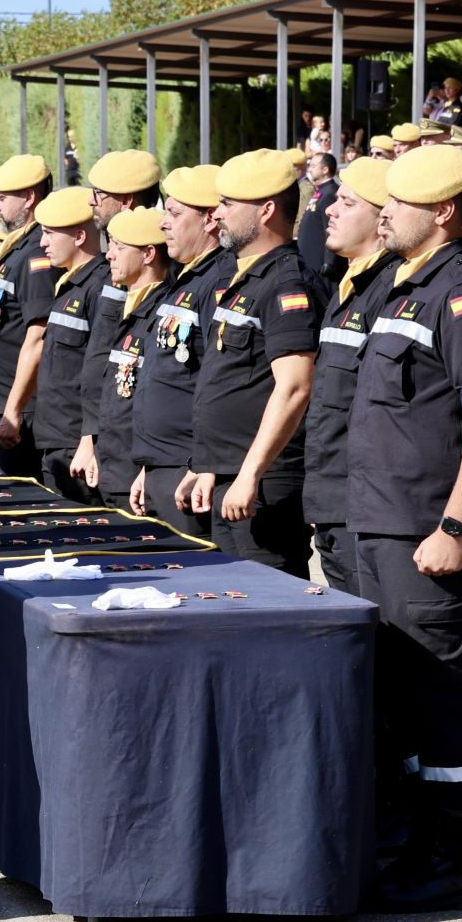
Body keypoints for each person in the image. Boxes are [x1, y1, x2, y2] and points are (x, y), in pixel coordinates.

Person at [349, 144, 462, 912]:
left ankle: (454, 862)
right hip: (383, 529)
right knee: (407, 695)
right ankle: (418, 848)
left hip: (427, 532)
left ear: (444, 211)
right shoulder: (403, 287)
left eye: (401, 203)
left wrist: (454, 523)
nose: (384, 211)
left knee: (443, 693)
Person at [177, 150, 321, 577]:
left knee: (269, 605)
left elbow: (294, 386)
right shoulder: (245, 279)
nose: (216, 213)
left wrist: (249, 473)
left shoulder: (286, 282)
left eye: (228, 204)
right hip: (231, 475)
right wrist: (206, 466)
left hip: (265, 484)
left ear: (267, 211)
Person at [301, 157, 395, 595]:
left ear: (383, 220)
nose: (329, 210)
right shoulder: (349, 285)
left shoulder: (391, 291)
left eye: (346, 202)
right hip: (336, 500)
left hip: (365, 507)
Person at [128, 164, 231, 537]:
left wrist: (202, 463)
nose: (163, 224)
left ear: (209, 220)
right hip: (162, 465)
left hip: (188, 471)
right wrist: (148, 465)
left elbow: (218, 381)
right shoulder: (186, 279)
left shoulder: (219, 281)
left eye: (174, 214)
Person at [74, 207, 167, 507]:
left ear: (148, 254)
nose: (109, 255)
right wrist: (97, 449)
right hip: (113, 465)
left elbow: (157, 400)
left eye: (119, 247)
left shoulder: (161, 310)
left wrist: (147, 466)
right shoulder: (127, 304)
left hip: (137, 471)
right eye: (110, 245)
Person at [0, 154, 53, 477]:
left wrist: (12, 411)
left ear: (29, 197)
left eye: (2, 199)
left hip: (19, 415)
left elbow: (39, 334)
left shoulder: (35, 255)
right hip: (0, 411)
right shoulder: (16, 250)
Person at [24, 185, 109, 505]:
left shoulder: (99, 287)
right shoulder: (70, 285)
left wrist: (90, 441)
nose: (42, 242)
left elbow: (99, 370)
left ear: (78, 236)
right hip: (54, 439)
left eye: (49, 233)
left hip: (77, 444)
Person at [295, 152, 341, 283]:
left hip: (320, 263)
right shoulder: (321, 191)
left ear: (325, 170)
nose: (309, 169)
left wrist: (329, 261)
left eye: (313, 166)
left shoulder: (330, 193)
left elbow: (330, 227)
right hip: (311, 260)